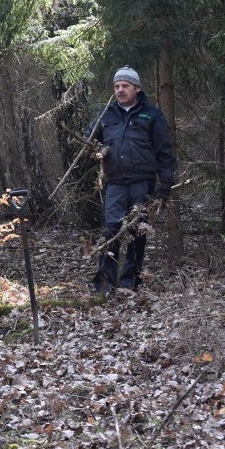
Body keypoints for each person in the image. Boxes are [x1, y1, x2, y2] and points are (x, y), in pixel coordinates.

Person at [88, 66, 176, 295]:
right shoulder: (106, 114)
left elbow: (165, 153)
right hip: (114, 182)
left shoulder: (152, 115)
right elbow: (90, 139)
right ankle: (104, 284)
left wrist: (164, 187)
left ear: (137, 88)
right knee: (111, 232)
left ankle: (130, 282)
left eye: (125, 86)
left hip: (142, 183)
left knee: (137, 232)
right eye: (116, 86)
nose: (120, 90)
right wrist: (93, 130)